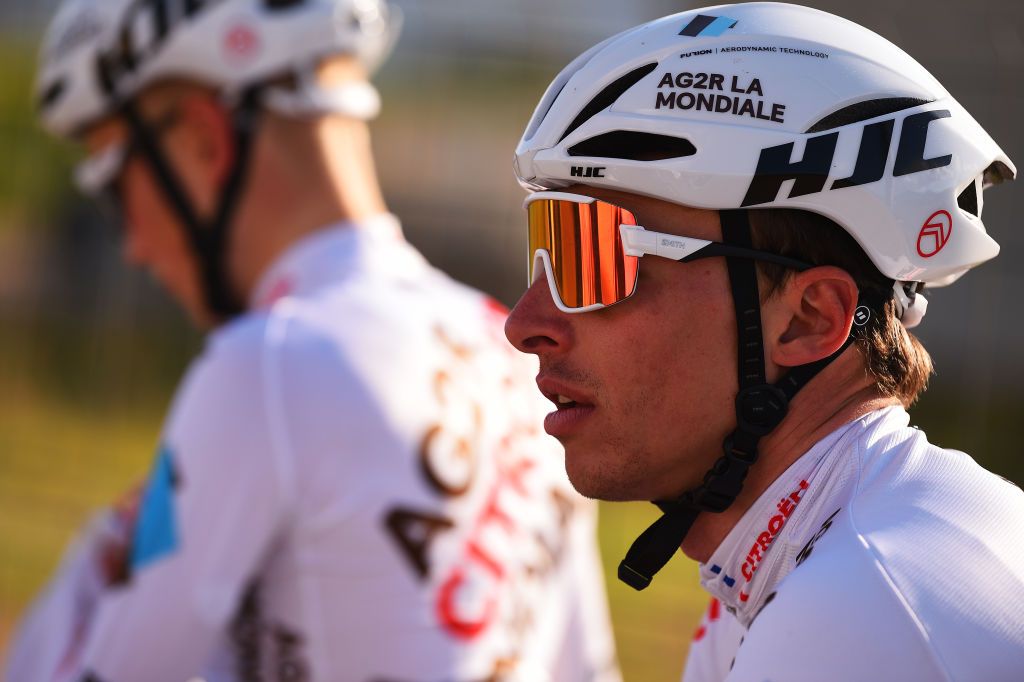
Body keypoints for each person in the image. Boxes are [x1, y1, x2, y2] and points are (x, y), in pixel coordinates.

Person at [6, 1, 620, 680]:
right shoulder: (505, 351)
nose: (133, 247)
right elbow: (585, 668)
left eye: (116, 183)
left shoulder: (266, 365)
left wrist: (105, 551)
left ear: (203, 140)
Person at [504, 2, 1024, 680]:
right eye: (547, 246)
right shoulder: (810, 568)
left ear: (809, 319)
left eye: (591, 257)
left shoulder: (861, 616)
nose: (523, 324)